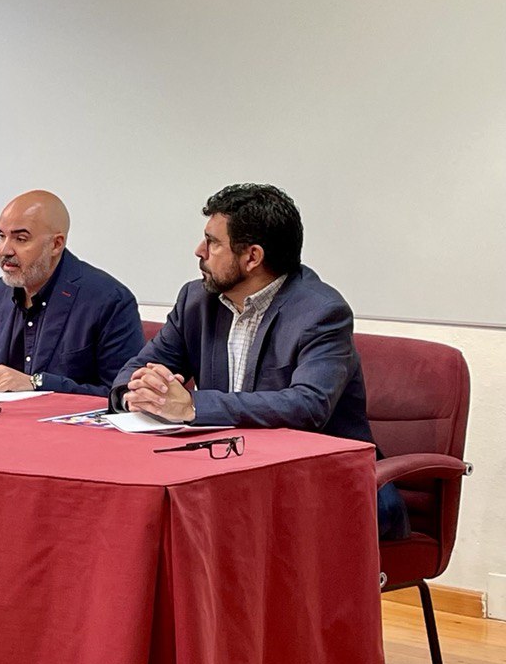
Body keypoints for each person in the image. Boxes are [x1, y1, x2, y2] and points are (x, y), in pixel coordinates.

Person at [110, 183, 409, 539]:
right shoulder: (196, 300)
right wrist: (139, 392)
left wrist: (192, 406)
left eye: (213, 242)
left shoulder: (321, 311)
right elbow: (137, 369)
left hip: (320, 483)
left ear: (252, 257)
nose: (199, 251)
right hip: (229, 471)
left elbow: (308, 405)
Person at [0, 190, 143, 395]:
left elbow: (123, 395)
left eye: (21, 239)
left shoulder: (108, 300)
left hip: (67, 416)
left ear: (56, 244)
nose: (5, 250)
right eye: (2, 236)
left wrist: (38, 383)